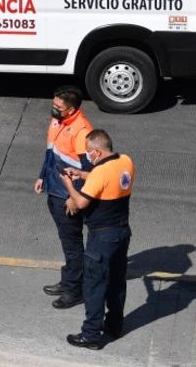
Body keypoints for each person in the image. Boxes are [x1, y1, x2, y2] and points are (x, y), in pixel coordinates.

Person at [59, 129, 135, 350]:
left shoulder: (100, 171)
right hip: (122, 232)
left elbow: (81, 203)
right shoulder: (125, 161)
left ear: (97, 151)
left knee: (94, 285)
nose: (87, 157)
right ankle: (114, 325)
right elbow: (105, 181)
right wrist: (81, 174)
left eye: (88, 153)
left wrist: (69, 184)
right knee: (116, 281)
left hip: (102, 236)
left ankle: (91, 334)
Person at [35, 86, 94, 309]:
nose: (54, 109)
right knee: (66, 241)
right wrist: (42, 176)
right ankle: (69, 280)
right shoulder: (58, 121)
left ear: (71, 109)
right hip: (54, 187)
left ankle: (74, 290)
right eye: (54, 104)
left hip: (66, 195)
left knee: (72, 244)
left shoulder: (81, 132)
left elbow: (88, 171)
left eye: (59, 107)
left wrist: (74, 197)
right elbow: (51, 152)